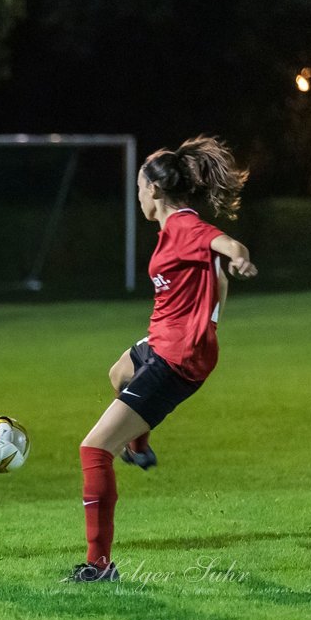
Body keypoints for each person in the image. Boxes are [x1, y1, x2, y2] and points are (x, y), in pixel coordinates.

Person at [67, 136, 257, 583]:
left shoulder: (186, 227)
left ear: (153, 189)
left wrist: (240, 260)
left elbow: (227, 245)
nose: (136, 196)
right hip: (164, 342)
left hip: (177, 359)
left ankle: (99, 565)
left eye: (138, 187)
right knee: (118, 372)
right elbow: (208, 274)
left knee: (93, 449)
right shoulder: (172, 230)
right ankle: (139, 445)